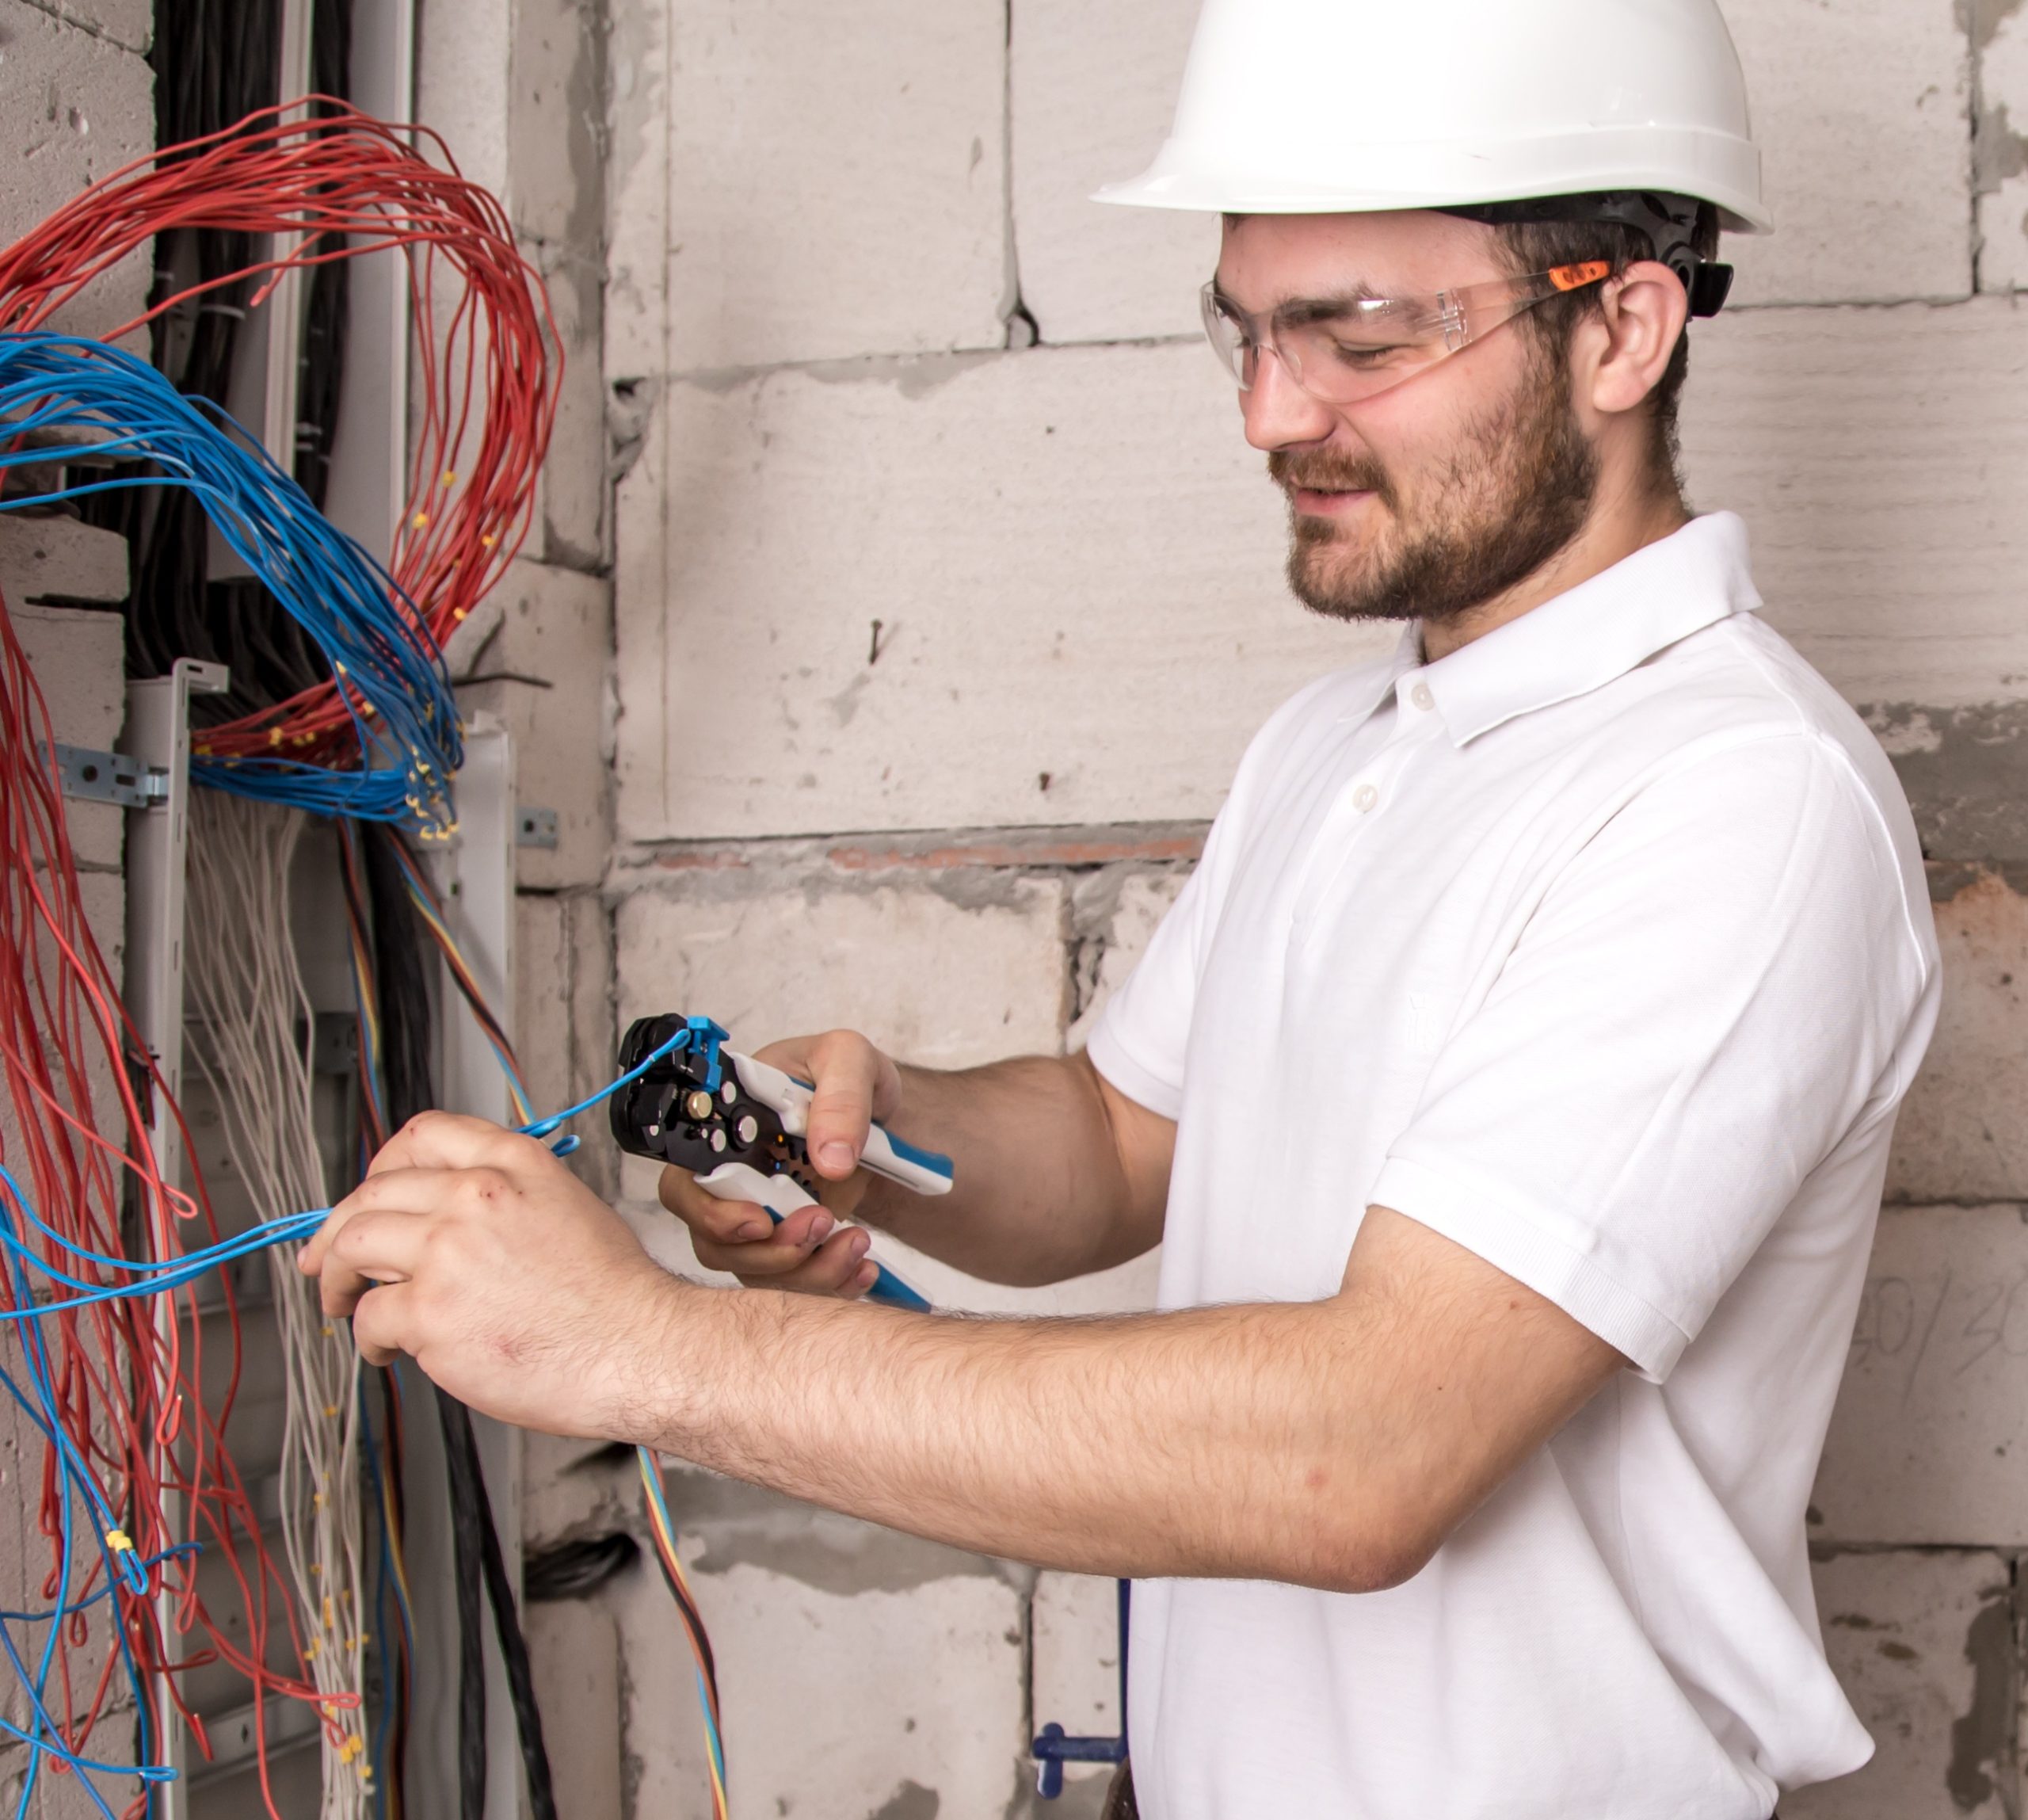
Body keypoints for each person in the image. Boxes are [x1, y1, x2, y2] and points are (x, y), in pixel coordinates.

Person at [303, 2, 1940, 1814]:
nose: (1268, 414)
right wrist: (875, 1126)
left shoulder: (1730, 798)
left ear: (1620, 322)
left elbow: (1362, 1453)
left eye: (1360, 335)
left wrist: (639, 1349)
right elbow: (1118, 1136)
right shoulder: (1341, 745)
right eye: (1242, 333)